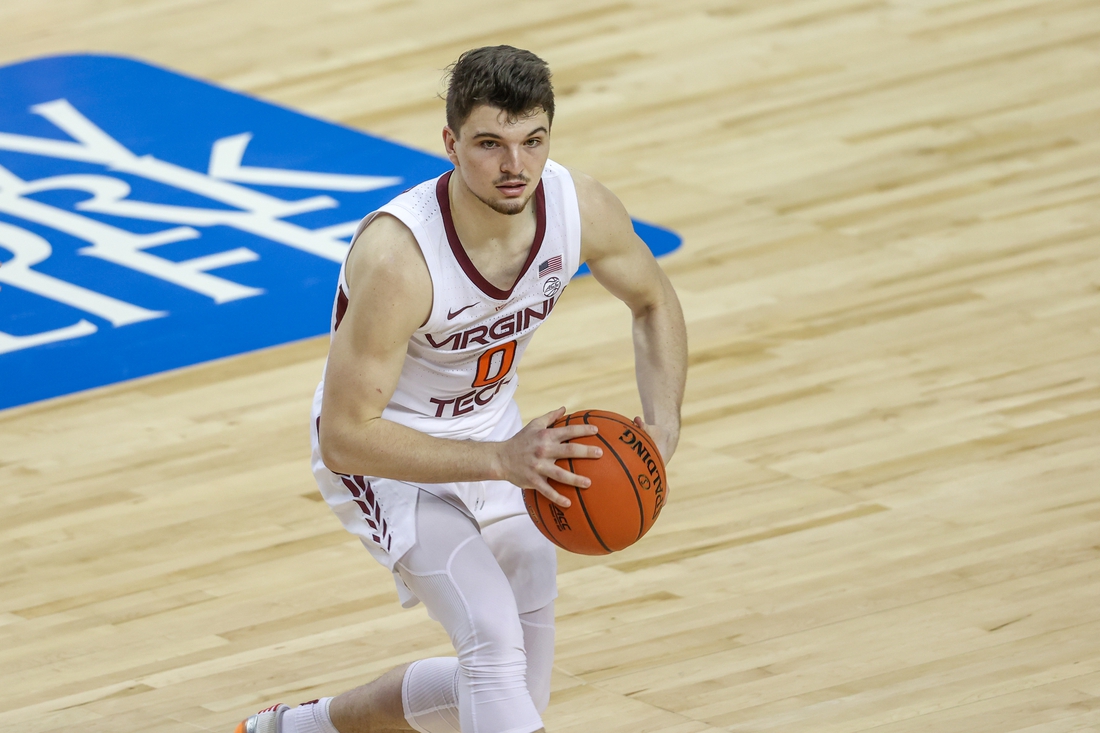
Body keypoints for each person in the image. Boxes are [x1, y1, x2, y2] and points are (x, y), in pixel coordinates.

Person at [235, 45, 686, 733]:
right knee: (490, 636)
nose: (515, 166)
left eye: (532, 141)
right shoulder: (400, 258)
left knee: (507, 690)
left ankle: (293, 729)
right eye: (489, 144)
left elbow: (653, 301)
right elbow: (347, 435)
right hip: (385, 454)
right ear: (449, 143)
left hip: (499, 435)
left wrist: (661, 428)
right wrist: (502, 460)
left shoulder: (578, 208)